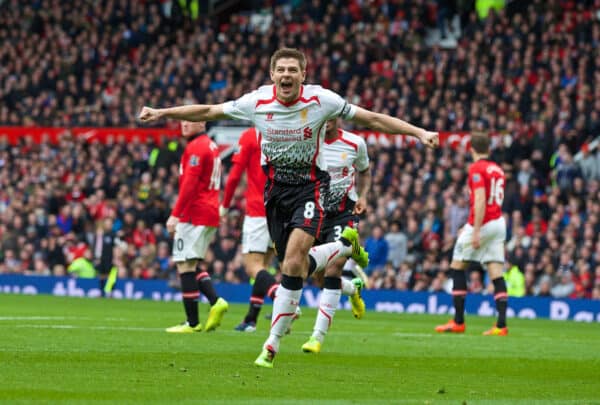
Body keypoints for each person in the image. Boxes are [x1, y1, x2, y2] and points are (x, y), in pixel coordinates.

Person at [139, 47, 438, 367]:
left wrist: (418, 132)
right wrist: (161, 113)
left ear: (303, 75)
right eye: (280, 70)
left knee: (295, 260)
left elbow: (373, 118)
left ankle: (271, 344)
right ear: (272, 75)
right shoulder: (256, 102)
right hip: (275, 194)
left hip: (311, 189)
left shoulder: (322, 100)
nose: (286, 75)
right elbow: (209, 111)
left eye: (292, 70)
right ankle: (339, 250)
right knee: (291, 268)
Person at [301, 118, 371, 354]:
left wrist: (363, 196)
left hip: (344, 213)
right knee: (319, 279)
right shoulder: (309, 143)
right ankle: (353, 288)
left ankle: (316, 337)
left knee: (334, 268)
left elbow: (365, 172)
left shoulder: (354, 143)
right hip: (317, 214)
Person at [435, 132, 509, 336]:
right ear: (489, 148)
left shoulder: (476, 168)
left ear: (471, 149)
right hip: (498, 223)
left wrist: (475, 230)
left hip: (483, 222)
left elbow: (480, 200)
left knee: (457, 266)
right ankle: (501, 326)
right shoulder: (498, 169)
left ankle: (458, 321)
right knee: (496, 271)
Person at [164, 120, 229, 333]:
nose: (184, 124)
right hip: (210, 210)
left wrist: (175, 215)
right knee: (191, 263)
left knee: (184, 265)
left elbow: (189, 185)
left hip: (195, 213)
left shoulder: (197, 147)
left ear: (201, 122)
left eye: (190, 120)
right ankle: (215, 301)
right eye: (182, 120)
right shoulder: (209, 145)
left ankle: (192, 323)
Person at [221, 127, 279, 332]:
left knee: (251, 266)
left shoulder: (250, 135)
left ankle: (281, 298)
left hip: (258, 210)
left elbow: (235, 175)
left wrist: (225, 204)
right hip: (281, 210)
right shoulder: (284, 132)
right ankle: (251, 319)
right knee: (263, 266)